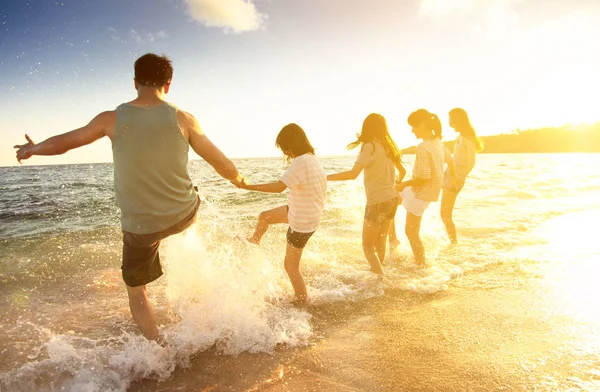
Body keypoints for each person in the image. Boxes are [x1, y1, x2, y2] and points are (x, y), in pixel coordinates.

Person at [13, 53, 245, 341]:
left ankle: (157, 348)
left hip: (141, 227)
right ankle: (188, 243)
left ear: (135, 82)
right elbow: (222, 164)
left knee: (136, 291)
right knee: (189, 204)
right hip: (183, 214)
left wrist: (31, 150)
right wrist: (240, 181)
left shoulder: (111, 119)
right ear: (168, 84)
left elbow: (63, 145)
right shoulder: (184, 119)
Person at [236, 123, 326, 304]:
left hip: (302, 221)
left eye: (284, 147)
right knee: (264, 217)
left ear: (291, 144)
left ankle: (302, 301)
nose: (285, 152)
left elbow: (279, 187)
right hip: (305, 213)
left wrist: (246, 186)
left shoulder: (301, 161)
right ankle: (255, 240)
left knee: (290, 266)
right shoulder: (312, 159)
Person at [327, 113, 405, 275]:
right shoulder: (388, 147)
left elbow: (353, 174)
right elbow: (403, 171)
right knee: (380, 242)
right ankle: (377, 275)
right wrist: (394, 184)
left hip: (377, 201)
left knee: (367, 246)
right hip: (392, 198)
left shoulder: (369, 146)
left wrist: (324, 177)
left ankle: (379, 277)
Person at [393, 109, 456, 266]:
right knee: (391, 198)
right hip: (430, 192)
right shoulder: (439, 144)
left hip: (420, 192)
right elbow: (450, 160)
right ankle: (392, 240)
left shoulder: (422, 147)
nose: (412, 130)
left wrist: (402, 184)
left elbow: (423, 178)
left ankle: (420, 263)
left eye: (414, 126)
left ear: (423, 124)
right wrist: (451, 179)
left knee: (411, 232)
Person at [440, 108, 483, 244]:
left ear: (458, 120)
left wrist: (458, 178)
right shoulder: (460, 137)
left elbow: (471, 162)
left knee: (445, 215)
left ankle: (453, 244)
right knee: (443, 214)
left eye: (451, 121)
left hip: (454, 179)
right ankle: (450, 242)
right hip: (449, 176)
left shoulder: (468, 137)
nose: (449, 124)